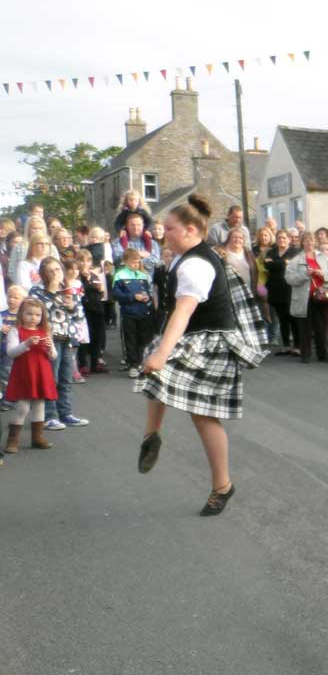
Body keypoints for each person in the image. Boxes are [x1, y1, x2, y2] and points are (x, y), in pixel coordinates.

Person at [134, 193, 267, 516]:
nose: (164, 233)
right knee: (157, 368)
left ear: (192, 230)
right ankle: (152, 435)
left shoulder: (195, 264)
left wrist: (163, 352)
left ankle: (222, 485)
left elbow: (183, 311)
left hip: (213, 343)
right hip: (197, 337)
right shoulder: (185, 257)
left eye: (170, 229)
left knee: (202, 413)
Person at [29, 256, 88, 429]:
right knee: (50, 378)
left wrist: (71, 306)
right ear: (43, 274)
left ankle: (66, 413)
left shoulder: (69, 290)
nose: (56, 274)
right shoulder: (37, 291)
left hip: (67, 339)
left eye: (58, 270)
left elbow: (79, 316)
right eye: (51, 271)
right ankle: (49, 416)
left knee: (65, 379)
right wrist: (52, 292)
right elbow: (39, 313)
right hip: (49, 339)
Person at [3, 297, 58, 453]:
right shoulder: (16, 331)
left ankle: (37, 437)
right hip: (24, 373)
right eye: (29, 314)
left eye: (37, 315)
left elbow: (53, 356)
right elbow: (11, 352)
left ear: (42, 316)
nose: (33, 318)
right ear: (21, 314)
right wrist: (26, 344)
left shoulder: (45, 331)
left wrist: (49, 349)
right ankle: (12, 439)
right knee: (22, 407)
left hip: (41, 372)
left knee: (39, 404)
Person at [285, 232, 328, 364]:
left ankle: (323, 354)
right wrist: (304, 275)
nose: (309, 243)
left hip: (321, 296)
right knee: (305, 327)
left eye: (312, 241)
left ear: (315, 242)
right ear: (302, 243)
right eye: (307, 241)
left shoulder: (323, 257)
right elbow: (289, 279)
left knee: (321, 327)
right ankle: (306, 355)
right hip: (304, 298)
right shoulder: (296, 260)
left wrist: (322, 273)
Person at [114, 249, 158, 379]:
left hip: (144, 312)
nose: (136, 265)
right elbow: (117, 294)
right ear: (126, 261)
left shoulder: (142, 275)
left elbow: (149, 291)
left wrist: (147, 297)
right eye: (133, 262)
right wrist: (133, 297)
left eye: (138, 262)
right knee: (131, 339)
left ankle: (142, 362)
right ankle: (133, 364)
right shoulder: (120, 275)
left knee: (144, 339)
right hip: (129, 313)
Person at [75, 249, 108, 374]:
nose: (84, 263)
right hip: (84, 310)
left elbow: (101, 294)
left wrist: (100, 289)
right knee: (84, 338)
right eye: (81, 260)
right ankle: (83, 363)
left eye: (87, 261)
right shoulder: (77, 276)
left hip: (97, 309)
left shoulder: (94, 276)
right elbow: (79, 291)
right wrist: (91, 286)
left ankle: (95, 363)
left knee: (97, 337)